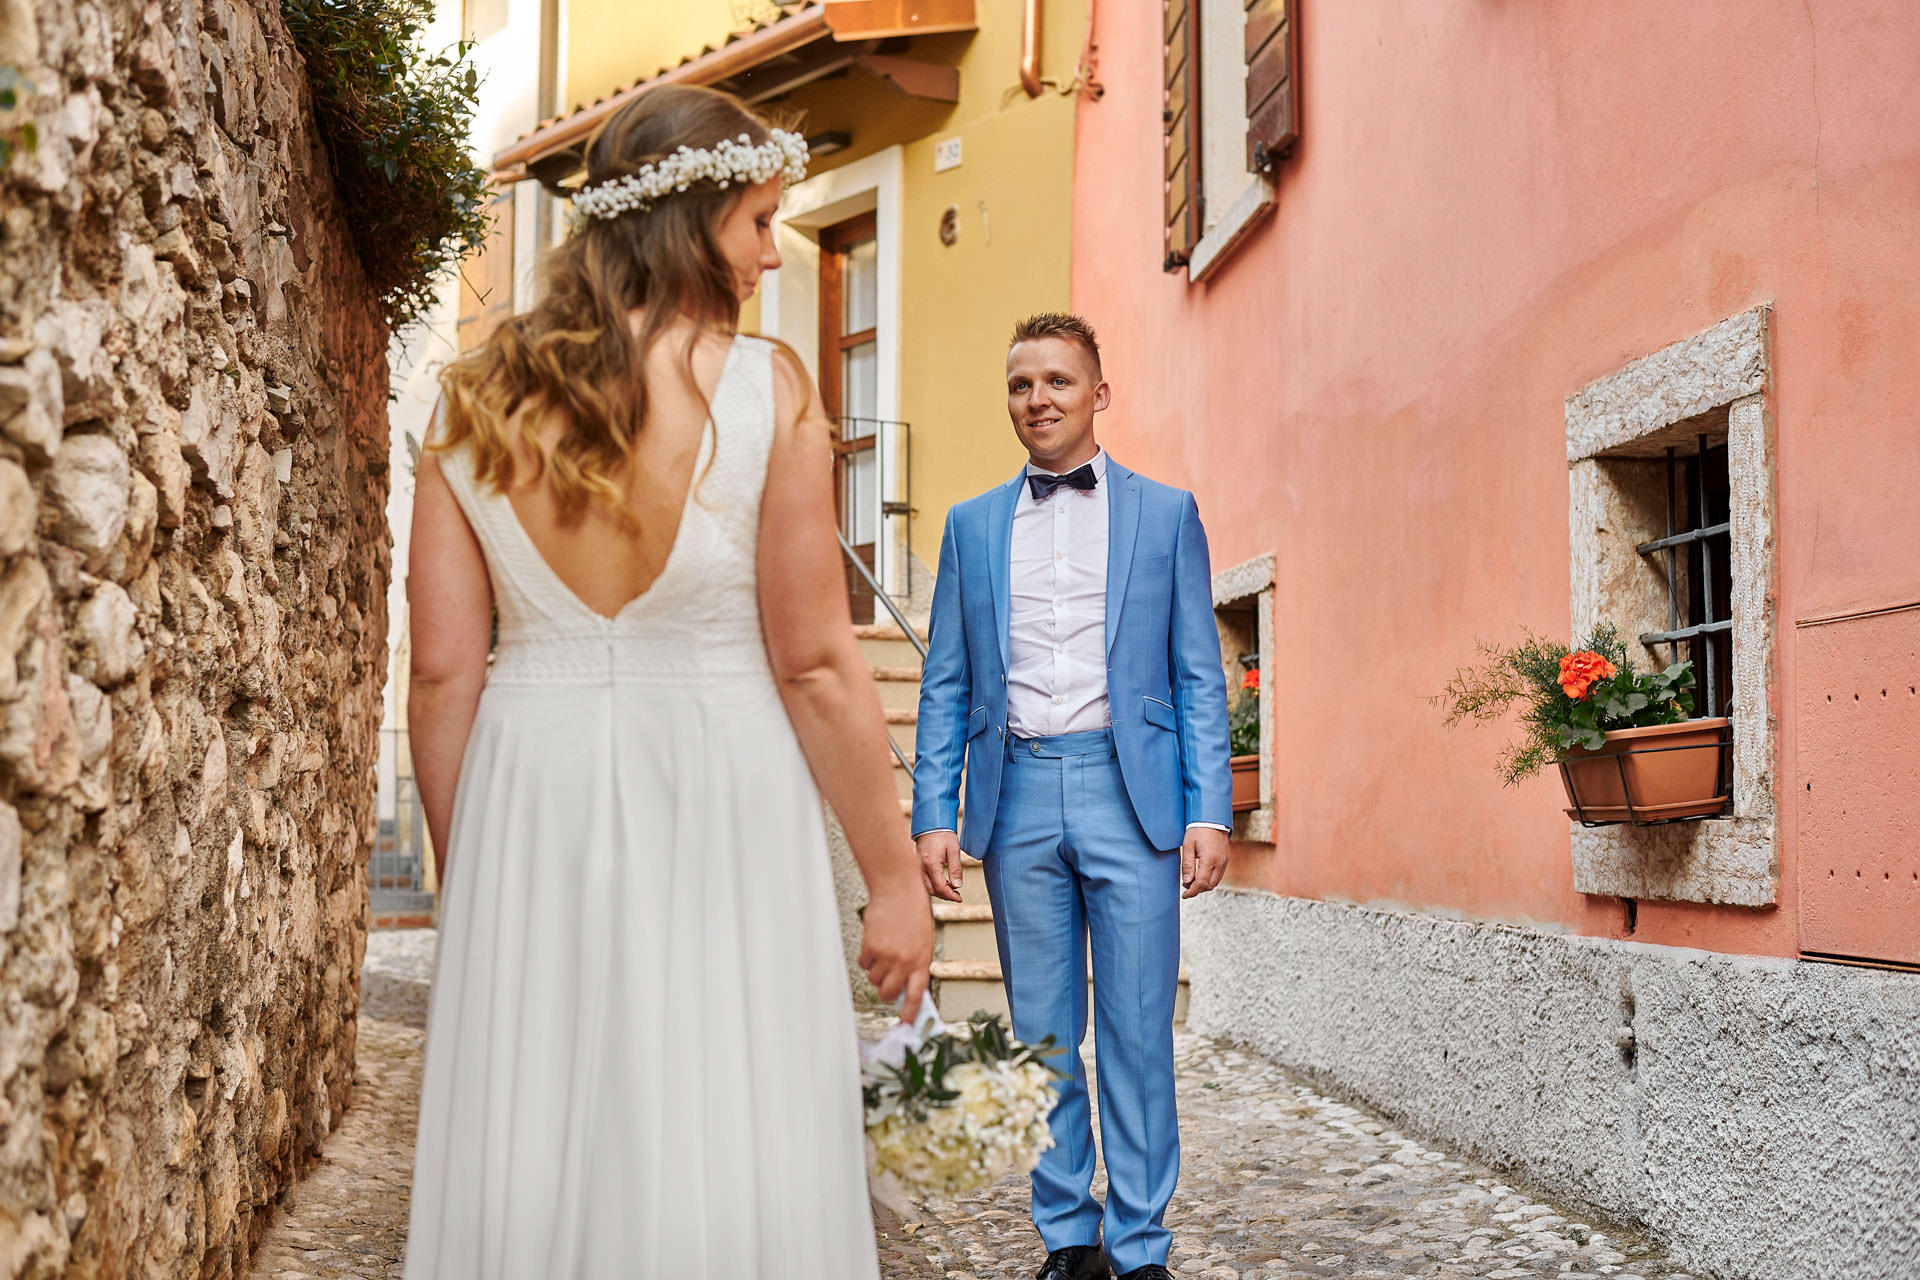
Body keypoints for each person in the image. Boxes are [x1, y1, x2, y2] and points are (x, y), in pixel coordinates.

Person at [402, 84, 932, 1277]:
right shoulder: (765, 388)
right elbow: (814, 662)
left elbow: (440, 676)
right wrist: (894, 879)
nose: (773, 254)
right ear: (689, 222)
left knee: (543, 1125)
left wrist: (473, 869)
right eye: (760, 222)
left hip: (530, 792)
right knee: (727, 1098)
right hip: (721, 778)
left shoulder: (470, 401)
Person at [911, 314, 1232, 1280]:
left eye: (1057, 380)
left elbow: (1198, 673)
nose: (1037, 399)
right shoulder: (970, 526)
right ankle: (1067, 1239)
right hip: (1014, 797)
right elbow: (946, 683)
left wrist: (1208, 808)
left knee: (1137, 1034)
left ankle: (1140, 1247)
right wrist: (934, 813)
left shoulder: (1166, 514)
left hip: (1130, 795)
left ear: (1099, 393)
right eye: (1021, 384)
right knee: (1041, 1037)